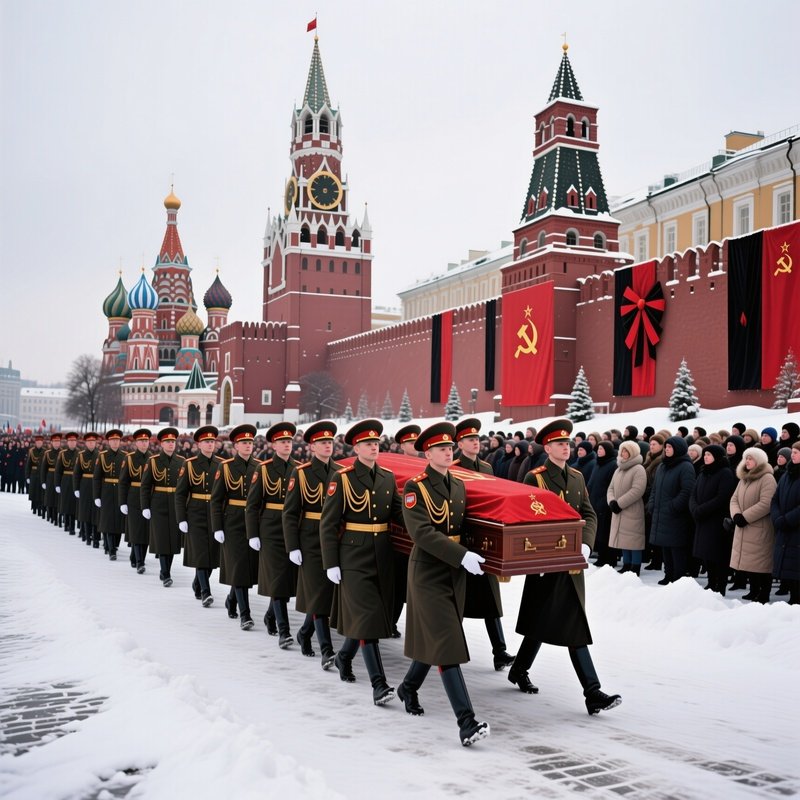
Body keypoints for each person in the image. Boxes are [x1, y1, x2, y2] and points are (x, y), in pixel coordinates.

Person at [514, 419, 621, 715]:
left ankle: (523, 670)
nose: (567, 447)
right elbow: (526, 520)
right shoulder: (536, 478)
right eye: (560, 443)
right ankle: (592, 690)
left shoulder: (575, 477)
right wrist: (535, 558)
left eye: (568, 443)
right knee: (564, 620)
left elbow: (588, 512)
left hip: (572, 559)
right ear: (547, 448)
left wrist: (586, 543)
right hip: (545, 561)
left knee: (551, 617)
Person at [398, 422, 490, 747]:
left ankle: (408, 687)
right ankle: (466, 722)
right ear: (428, 452)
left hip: (455, 574)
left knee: (438, 638)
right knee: (448, 643)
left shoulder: (458, 485)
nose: (448, 452)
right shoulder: (415, 488)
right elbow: (422, 534)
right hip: (428, 573)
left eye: (450, 448)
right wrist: (461, 554)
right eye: (441, 449)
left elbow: (464, 527)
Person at [319, 419, 404, 705]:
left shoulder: (388, 477)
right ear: (356, 448)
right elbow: (328, 523)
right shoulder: (343, 478)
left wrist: (426, 529)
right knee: (368, 619)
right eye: (368, 444)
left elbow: (398, 514)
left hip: (381, 554)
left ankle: (344, 656)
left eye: (376, 443)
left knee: (373, 616)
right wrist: (331, 562)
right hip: (353, 555)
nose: (373, 447)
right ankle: (379, 684)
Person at [453, 417, 514, 670]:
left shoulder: (487, 468)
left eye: (477, 439)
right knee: (458, 598)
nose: (475, 443)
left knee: (490, 597)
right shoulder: (453, 468)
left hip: (485, 540)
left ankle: (500, 651)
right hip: (461, 539)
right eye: (470, 439)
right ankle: (451, 647)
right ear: (460, 443)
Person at [283, 421, 342, 668]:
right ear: (312, 446)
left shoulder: (340, 472)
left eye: (330, 442)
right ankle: (327, 650)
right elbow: (289, 513)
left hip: (334, 538)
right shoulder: (302, 472)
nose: (327, 446)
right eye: (322, 443)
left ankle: (305, 633)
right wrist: (292, 546)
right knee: (318, 593)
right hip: (309, 539)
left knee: (325, 593)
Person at [246, 422, 303, 650]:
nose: (287, 445)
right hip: (270, 529)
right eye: (282, 442)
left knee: (287, 578)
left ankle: (271, 616)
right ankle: (284, 630)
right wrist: (253, 533)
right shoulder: (264, 469)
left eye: (289, 441)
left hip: (293, 528)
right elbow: (252, 505)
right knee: (278, 578)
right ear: (274, 444)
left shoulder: (300, 468)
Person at [211, 424, 261, 630]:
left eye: (250, 442)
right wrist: (217, 527)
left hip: (255, 521)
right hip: (233, 521)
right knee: (239, 565)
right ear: (236, 445)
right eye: (244, 443)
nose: (248, 446)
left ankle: (232, 599)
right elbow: (216, 500)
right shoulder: (226, 467)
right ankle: (245, 614)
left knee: (247, 567)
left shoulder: (260, 466)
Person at [176, 425, 223, 606]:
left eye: (212, 441)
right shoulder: (190, 464)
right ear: (199, 444)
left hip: (214, 512)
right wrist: (181, 518)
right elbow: (180, 494)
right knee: (201, 552)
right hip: (195, 511)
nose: (210, 444)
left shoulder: (221, 464)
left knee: (211, 554)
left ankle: (197, 583)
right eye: (206, 442)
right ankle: (205, 591)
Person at [730, 447, 777, 603]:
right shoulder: (744, 478)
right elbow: (734, 499)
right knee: (750, 563)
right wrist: (736, 515)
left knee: (762, 564)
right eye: (746, 458)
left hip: (759, 527)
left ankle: (764, 593)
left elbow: (766, 503)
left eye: (750, 459)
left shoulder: (767, 478)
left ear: (758, 461)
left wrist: (745, 517)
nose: (747, 461)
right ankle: (753, 590)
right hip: (744, 525)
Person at [647, 436, 696, 585]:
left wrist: (673, 506)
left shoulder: (685, 466)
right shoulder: (663, 466)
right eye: (666, 447)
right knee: (665, 547)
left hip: (676, 515)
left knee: (676, 548)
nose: (667, 449)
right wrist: (652, 503)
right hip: (662, 512)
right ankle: (668, 574)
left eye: (670, 447)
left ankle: (678, 577)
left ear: (678, 449)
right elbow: (655, 488)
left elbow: (687, 491)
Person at [689, 445, 737, 594]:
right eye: (705, 454)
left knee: (718, 555)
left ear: (716, 456)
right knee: (706, 554)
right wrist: (694, 508)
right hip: (702, 519)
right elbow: (693, 494)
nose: (705, 457)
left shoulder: (725, 473)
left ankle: (720, 586)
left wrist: (701, 509)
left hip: (716, 520)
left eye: (709, 454)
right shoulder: (704, 472)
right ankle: (711, 583)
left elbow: (722, 497)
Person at [141, 428, 185, 587]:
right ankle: (165, 572)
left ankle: (167, 569)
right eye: (168, 442)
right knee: (161, 537)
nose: (171, 444)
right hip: (158, 503)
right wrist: (145, 506)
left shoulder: (181, 461)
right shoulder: (153, 461)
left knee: (173, 539)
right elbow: (145, 486)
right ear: (162, 444)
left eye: (173, 441)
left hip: (175, 502)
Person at [607, 440, 647, 575]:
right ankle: (626, 564)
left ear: (632, 453)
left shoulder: (638, 469)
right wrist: (612, 501)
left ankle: (635, 566)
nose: (623, 453)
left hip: (632, 510)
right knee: (623, 539)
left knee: (634, 540)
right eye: (622, 450)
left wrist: (619, 503)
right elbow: (610, 488)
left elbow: (637, 490)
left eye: (626, 451)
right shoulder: (618, 469)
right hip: (618, 509)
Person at [770, 441, 800, 604]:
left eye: (796, 452)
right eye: (793, 452)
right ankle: (793, 598)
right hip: (784, 528)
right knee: (789, 568)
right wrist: (777, 518)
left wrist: (787, 519)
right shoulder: (787, 475)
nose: (793, 454)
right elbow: (775, 499)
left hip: (795, 529)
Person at [119, 429, 152, 573]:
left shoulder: (153, 458)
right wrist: (123, 502)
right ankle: (140, 561)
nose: (144, 443)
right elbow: (123, 482)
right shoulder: (129, 458)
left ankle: (136, 556)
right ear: (136, 443)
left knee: (145, 531)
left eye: (146, 441)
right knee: (136, 529)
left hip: (149, 497)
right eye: (141, 441)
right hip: (133, 496)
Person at [92, 430, 126, 558]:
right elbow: (96, 477)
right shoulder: (102, 456)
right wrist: (97, 496)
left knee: (118, 520)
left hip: (119, 490)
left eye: (117, 440)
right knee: (107, 520)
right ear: (109, 441)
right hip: (106, 490)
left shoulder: (125, 456)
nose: (115, 442)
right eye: (112, 440)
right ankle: (111, 549)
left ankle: (113, 544)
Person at [587, 441, 617, 567]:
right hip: (595, 502)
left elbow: (612, 486)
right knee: (599, 533)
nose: (599, 451)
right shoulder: (598, 464)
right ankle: (601, 556)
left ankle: (610, 559)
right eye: (598, 448)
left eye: (601, 449)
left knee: (606, 533)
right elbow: (592, 482)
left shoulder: (612, 465)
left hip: (605, 504)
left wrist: (604, 501)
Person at [73, 432, 99, 546]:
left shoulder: (100, 455)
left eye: (93, 441)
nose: (91, 443)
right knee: (85, 512)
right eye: (89, 442)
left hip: (96, 485)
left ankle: (96, 536)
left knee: (96, 512)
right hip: (85, 485)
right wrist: (76, 488)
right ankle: (87, 535)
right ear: (86, 443)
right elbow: (76, 473)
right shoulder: (81, 455)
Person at [54, 433, 79, 534]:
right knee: (66, 503)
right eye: (70, 441)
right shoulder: (63, 454)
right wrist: (57, 484)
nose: (72, 443)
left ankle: (72, 526)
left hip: (75, 480)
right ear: (67, 442)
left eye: (74, 441)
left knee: (73, 504)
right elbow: (58, 471)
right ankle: (66, 524)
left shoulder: (79, 453)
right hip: (65, 480)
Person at [39, 433, 62, 525]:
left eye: (58, 442)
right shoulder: (47, 453)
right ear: (52, 443)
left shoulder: (62, 453)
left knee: (57, 498)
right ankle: (50, 515)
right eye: (55, 442)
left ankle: (57, 517)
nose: (57, 444)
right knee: (50, 497)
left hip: (59, 477)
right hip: (50, 477)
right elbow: (43, 469)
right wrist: (43, 481)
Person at [25, 434, 46, 517]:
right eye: (37, 442)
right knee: (34, 491)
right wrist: (27, 476)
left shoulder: (45, 451)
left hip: (41, 473)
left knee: (41, 492)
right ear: (35, 443)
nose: (39, 444)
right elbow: (28, 465)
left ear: (42, 443)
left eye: (40, 442)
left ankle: (40, 508)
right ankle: (34, 507)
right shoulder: (31, 451)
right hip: (33, 473)